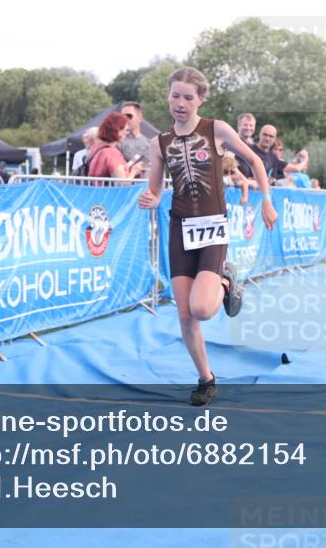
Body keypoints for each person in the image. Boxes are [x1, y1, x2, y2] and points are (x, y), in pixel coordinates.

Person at [138, 67, 277, 406]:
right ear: (167, 97)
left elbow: (256, 161)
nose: (180, 103)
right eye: (175, 95)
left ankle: (226, 283)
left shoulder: (216, 130)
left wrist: (266, 201)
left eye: (188, 97)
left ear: (200, 99)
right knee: (184, 315)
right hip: (179, 230)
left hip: (212, 228)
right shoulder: (159, 143)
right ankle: (206, 379)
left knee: (201, 309)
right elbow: (156, 188)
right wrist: (152, 198)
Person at [82, 112, 131, 183]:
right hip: (111, 193)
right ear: (118, 130)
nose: (127, 134)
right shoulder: (112, 153)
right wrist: (135, 171)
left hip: (95, 192)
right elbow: (123, 184)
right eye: (126, 130)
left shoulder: (96, 147)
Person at [118, 102, 151, 177]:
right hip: (128, 186)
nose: (125, 119)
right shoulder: (117, 142)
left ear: (140, 118)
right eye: (122, 116)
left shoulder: (149, 142)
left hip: (147, 186)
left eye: (129, 116)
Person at [235, 113, 257, 178]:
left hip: (252, 184)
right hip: (237, 184)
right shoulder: (232, 141)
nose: (248, 128)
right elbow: (230, 165)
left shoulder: (253, 145)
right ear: (238, 126)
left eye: (251, 125)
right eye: (245, 125)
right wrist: (245, 180)